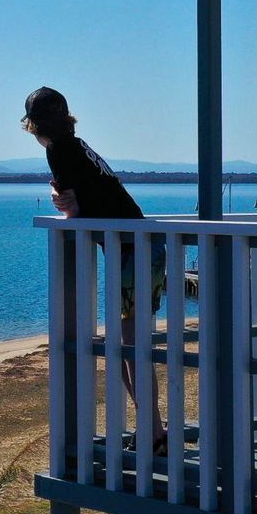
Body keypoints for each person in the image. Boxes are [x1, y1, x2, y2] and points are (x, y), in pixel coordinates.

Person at [23, 86, 168, 457]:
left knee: (130, 344)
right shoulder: (77, 144)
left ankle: (153, 430)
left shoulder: (59, 149)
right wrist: (69, 202)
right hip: (138, 246)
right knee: (125, 345)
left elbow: (75, 207)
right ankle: (152, 426)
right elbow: (86, 199)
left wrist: (66, 205)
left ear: (36, 126)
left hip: (133, 249)